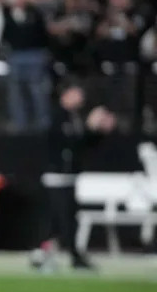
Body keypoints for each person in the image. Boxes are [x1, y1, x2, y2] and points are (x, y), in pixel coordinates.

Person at [30, 81, 115, 271]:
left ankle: (44, 254)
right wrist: (90, 126)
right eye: (76, 94)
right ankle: (68, 255)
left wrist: (97, 131)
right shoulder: (56, 117)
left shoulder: (74, 117)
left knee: (62, 219)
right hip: (57, 177)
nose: (80, 98)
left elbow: (81, 146)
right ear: (66, 95)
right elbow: (64, 144)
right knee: (62, 219)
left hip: (68, 177)